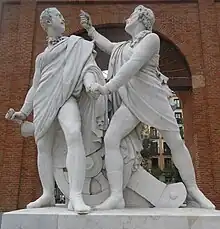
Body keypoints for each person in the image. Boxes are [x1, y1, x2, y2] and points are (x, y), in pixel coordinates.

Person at [80, 6, 215, 210]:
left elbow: (132, 66)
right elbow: (109, 46)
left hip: (153, 98)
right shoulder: (125, 46)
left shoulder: (151, 39)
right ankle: (117, 196)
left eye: (131, 15)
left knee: (175, 142)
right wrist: (91, 31)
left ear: (142, 19)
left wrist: (107, 88)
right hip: (132, 102)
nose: (127, 18)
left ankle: (194, 190)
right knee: (111, 138)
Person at [6, 7, 106, 214]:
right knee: (43, 147)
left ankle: (76, 195)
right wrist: (24, 112)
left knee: (73, 134)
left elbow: (88, 67)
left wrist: (89, 85)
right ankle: (47, 194)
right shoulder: (41, 57)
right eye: (59, 17)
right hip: (43, 101)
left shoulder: (76, 44)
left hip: (66, 96)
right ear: (47, 22)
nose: (63, 20)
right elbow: (35, 86)